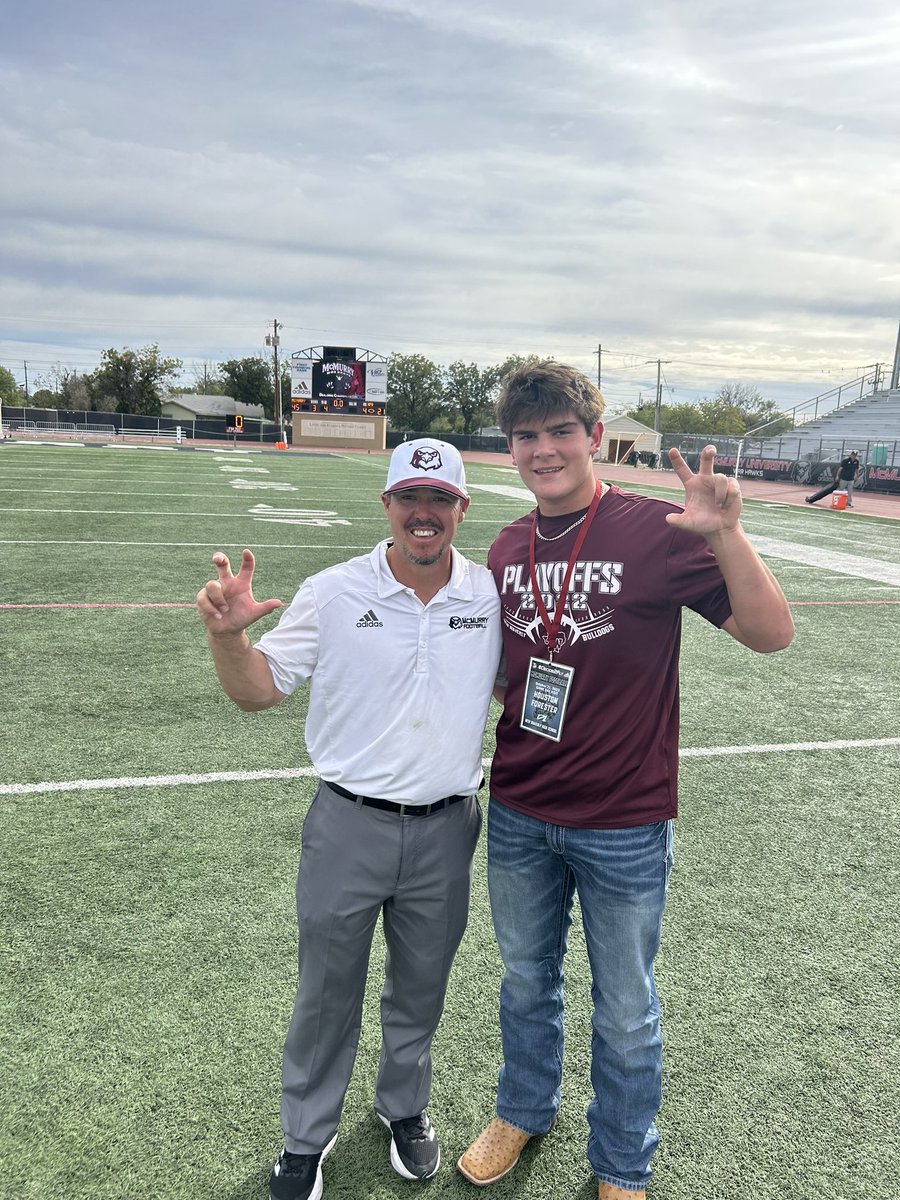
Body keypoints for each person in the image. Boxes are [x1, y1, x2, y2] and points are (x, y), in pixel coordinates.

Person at [457, 361, 794, 1200]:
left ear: (595, 438)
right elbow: (507, 672)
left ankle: (622, 1164)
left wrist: (725, 535)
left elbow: (771, 633)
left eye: (560, 431)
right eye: (526, 437)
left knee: (626, 1009)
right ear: (511, 450)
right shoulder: (506, 544)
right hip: (522, 808)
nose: (544, 450)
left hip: (626, 820)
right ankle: (523, 1110)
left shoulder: (658, 530)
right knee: (525, 981)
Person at [196, 438, 502, 1200]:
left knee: (421, 987)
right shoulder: (335, 590)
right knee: (327, 990)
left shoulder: (488, 595)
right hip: (348, 823)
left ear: (461, 509)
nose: (423, 514)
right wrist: (227, 636)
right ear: (388, 505)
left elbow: (511, 689)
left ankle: (405, 1111)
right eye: (410, 498)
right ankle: (306, 1137)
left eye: (440, 500)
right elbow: (260, 690)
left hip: (448, 826)